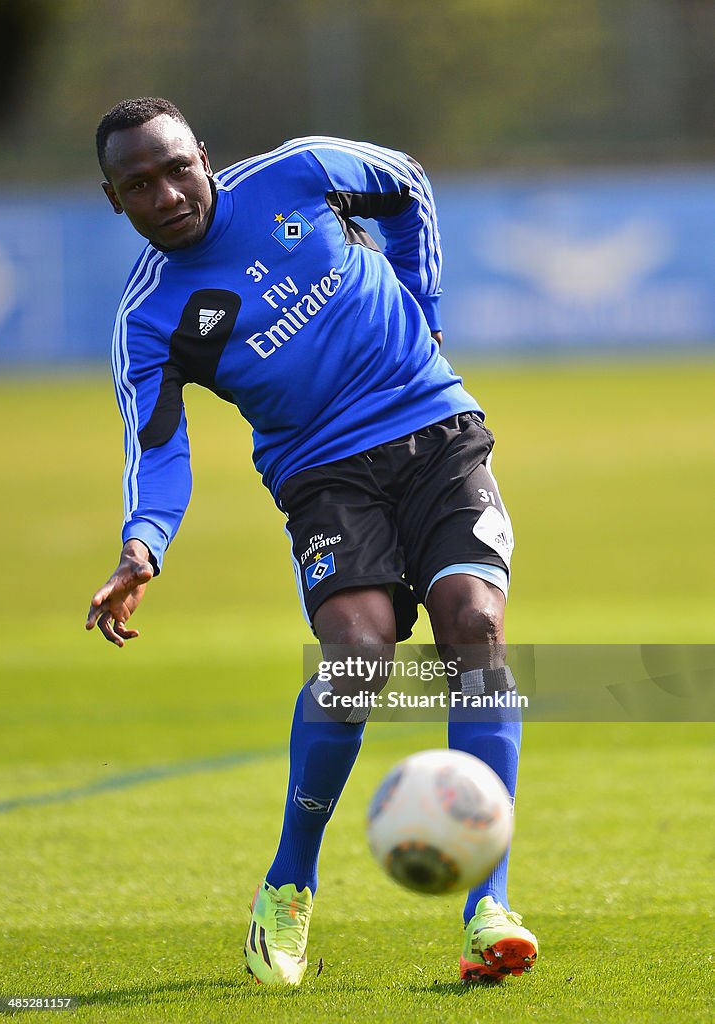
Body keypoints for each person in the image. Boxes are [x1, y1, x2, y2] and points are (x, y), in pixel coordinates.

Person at [86, 96, 538, 987]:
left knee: (472, 625)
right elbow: (157, 446)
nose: (169, 192)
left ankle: (490, 906)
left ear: (202, 155)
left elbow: (406, 185)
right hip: (325, 477)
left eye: (178, 167)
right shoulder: (149, 321)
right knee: (357, 656)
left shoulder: (301, 170)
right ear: (116, 201)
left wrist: (425, 308)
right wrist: (144, 546)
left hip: (436, 431)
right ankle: (288, 885)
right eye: (140, 184)